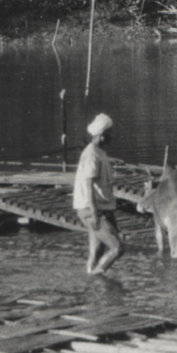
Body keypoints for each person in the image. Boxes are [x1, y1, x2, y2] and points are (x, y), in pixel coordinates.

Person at [73, 113, 125, 275]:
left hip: (102, 208)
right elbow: (88, 184)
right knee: (117, 248)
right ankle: (97, 277)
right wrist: (95, 214)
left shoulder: (100, 152)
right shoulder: (91, 154)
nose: (112, 136)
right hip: (92, 210)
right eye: (110, 133)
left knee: (96, 252)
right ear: (102, 136)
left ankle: (91, 279)